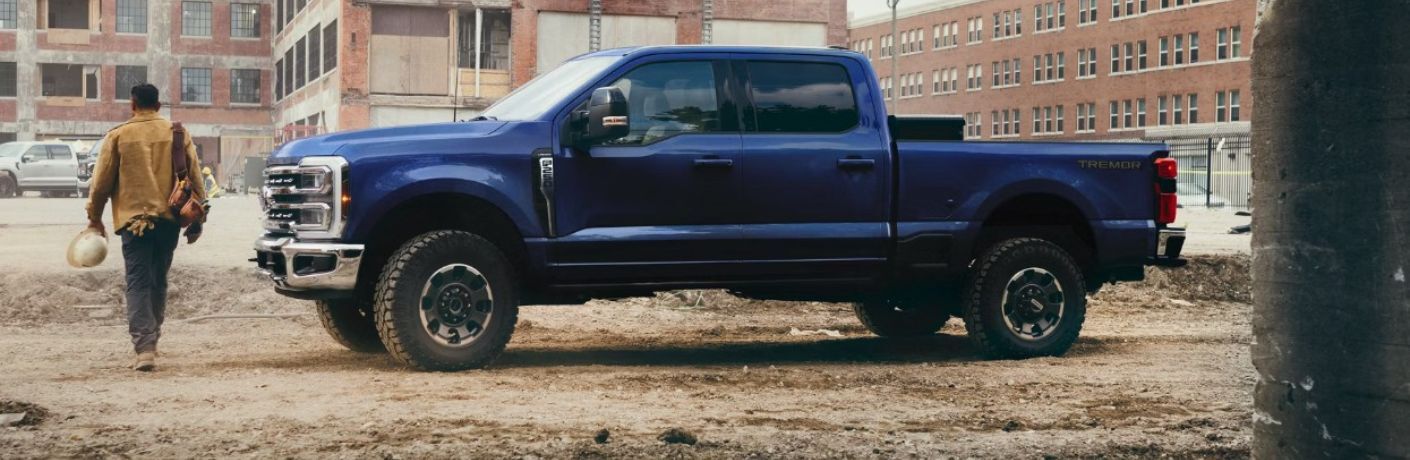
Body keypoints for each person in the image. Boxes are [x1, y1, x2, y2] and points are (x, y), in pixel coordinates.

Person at [85, 83, 206, 372]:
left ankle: (145, 348)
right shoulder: (177, 133)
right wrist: (198, 220)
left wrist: (94, 217)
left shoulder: (118, 136)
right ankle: (153, 340)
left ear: (132, 104)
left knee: (137, 282)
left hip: (133, 224)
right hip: (168, 222)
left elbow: (100, 184)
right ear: (159, 106)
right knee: (158, 280)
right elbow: (196, 180)